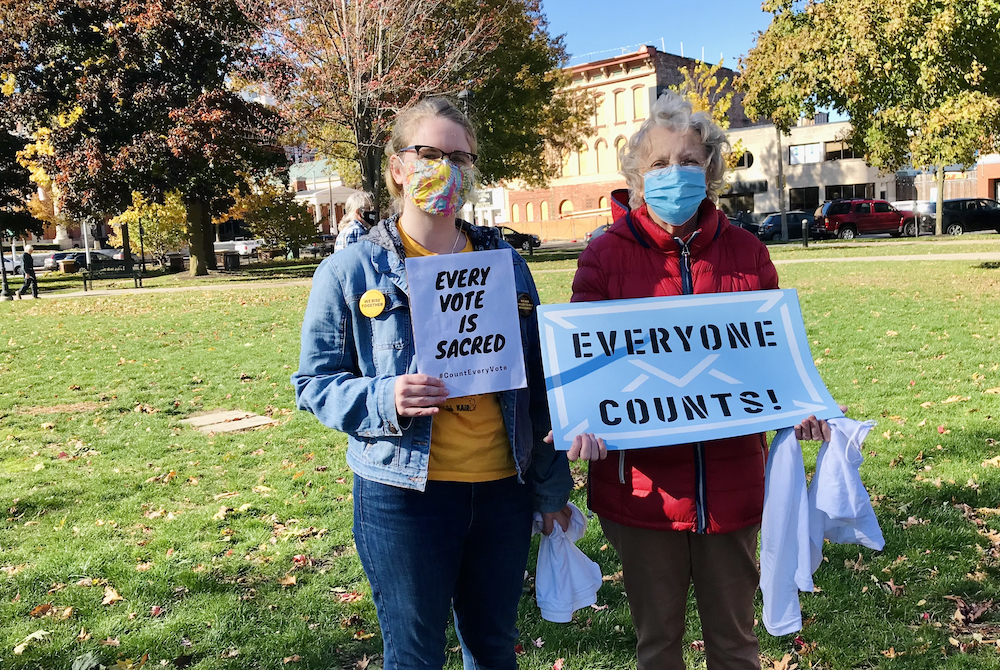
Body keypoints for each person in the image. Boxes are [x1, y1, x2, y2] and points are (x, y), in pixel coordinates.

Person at [293, 97, 572, 670]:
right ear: (398, 167)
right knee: (415, 655)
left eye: (460, 157)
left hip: (503, 490)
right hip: (404, 495)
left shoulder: (505, 262)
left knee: (494, 649)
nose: (445, 167)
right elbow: (313, 383)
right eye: (428, 153)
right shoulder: (351, 271)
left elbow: (539, 386)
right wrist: (383, 397)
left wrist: (548, 491)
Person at [568, 91, 832, 670]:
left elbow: (773, 356)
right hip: (642, 492)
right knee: (657, 645)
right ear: (637, 174)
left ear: (710, 168)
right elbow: (584, 366)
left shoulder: (747, 251)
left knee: (736, 645)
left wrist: (798, 407)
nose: (674, 173)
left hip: (733, 482)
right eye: (659, 163)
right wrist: (581, 421)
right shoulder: (604, 257)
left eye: (688, 160)